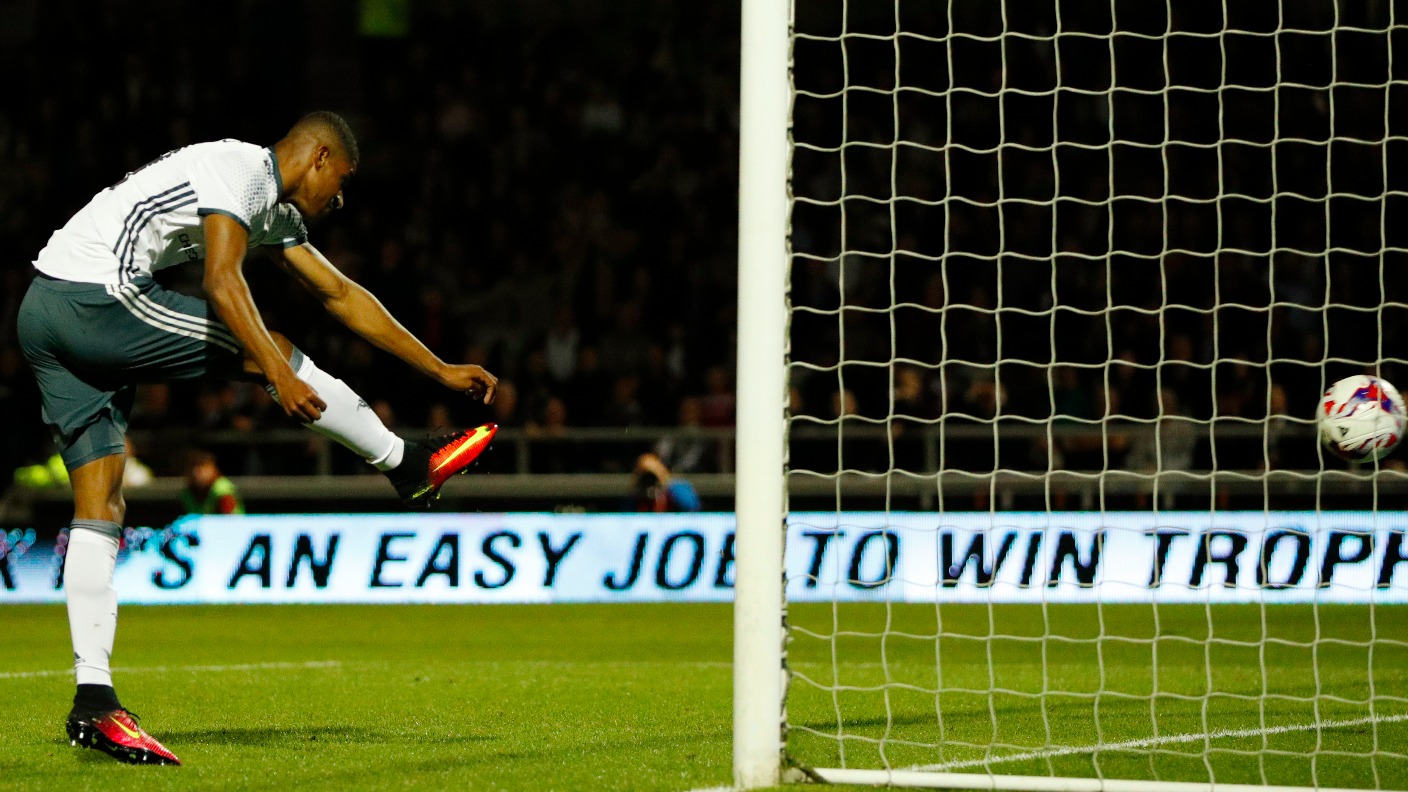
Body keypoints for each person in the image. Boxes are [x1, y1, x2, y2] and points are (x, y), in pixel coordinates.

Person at [17, 112, 500, 766]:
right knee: (266, 346)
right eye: (343, 181)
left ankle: (93, 703)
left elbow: (341, 294)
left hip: (42, 311)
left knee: (100, 504)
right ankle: (406, 463)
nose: (341, 198)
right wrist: (273, 369)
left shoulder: (270, 210)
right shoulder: (238, 168)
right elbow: (222, 280)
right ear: (320, 156)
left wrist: (438, 368)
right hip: (92, 298)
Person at [628, 452, 701, 513]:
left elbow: (692, 507)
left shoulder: (675, 489)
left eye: (652, 478)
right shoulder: (635, 498)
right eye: (645, 479)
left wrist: (666, 483)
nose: (649, 482)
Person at [179, 449, 243, 515]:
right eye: (194, 469)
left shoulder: (223, 490)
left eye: (202, 469)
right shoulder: (186, 493)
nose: (197, 474)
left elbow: (229, 520)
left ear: (213, 469)